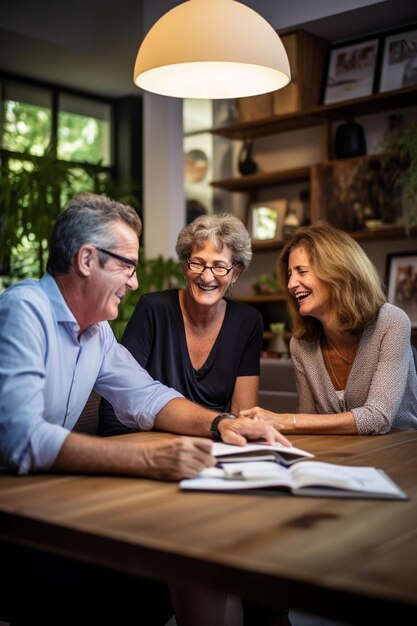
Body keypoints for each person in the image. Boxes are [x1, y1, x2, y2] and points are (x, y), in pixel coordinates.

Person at [0, 192, 288, 626]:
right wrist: (150, 457)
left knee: (195, 550)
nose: (135, 282)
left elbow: (148, 396)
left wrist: (221, 422)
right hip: (15, 526)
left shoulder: (96, 333)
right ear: (86, 260)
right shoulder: (24, 309)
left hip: (46, 501)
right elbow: (21, 438)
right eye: (127, 266)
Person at [241, 223, 417, 434]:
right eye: (289, 274)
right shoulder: (301, 344)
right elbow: (309, 422)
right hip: (338, 458)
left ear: (338, 271)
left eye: (301, 271)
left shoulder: (391, 322)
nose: (290, 285)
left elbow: (378, 418)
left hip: (398, 454)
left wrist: (284, 421)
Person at [99, 212, 263, 436]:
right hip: (148, 442)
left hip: (215, 443)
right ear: (185, 266)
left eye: (219, 266)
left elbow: (241, 415)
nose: (206, 277)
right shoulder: (153, 309)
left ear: (235, 273)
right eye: (197, 263)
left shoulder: (247, 321)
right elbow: (116, 404)